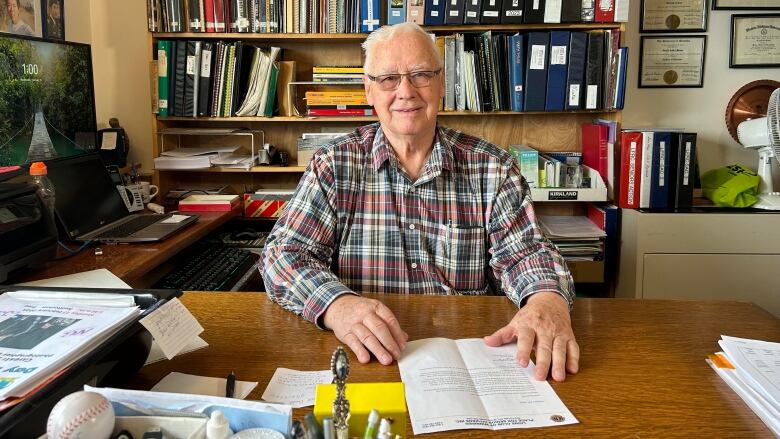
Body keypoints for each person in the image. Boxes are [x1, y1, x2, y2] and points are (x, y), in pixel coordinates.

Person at [262, 22, 579, 382]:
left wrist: (546, 300)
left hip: (470, 360)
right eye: (388, 79)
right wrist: (337, 305)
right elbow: (283, 255)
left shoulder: (492, 167)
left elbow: (526, 253)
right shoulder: (334, 165)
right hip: (365, 358)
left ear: (441, 84)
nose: (405, 92)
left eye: (420, 75)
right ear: (368, 90)